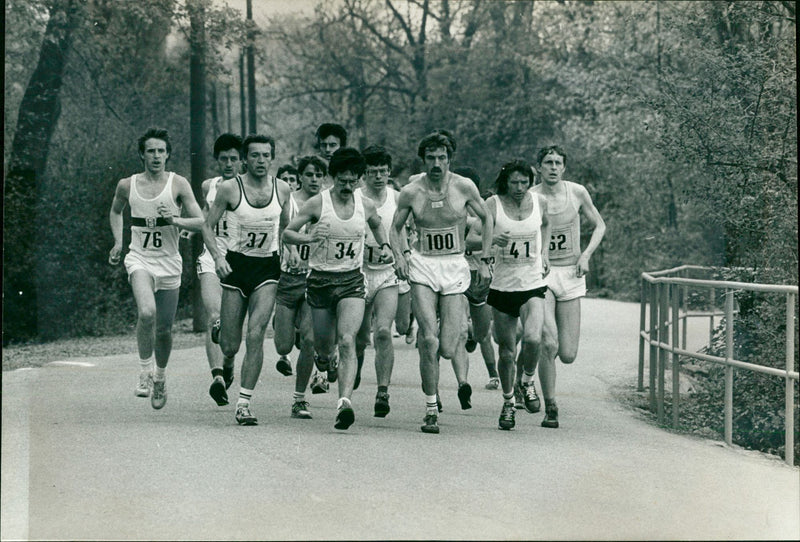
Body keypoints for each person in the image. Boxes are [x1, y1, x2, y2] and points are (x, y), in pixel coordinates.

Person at [283, 148, 393, 430]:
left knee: (347, 340)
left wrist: (384, 246)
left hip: (352, 280)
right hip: (320, 280)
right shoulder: (318, 204)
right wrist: (307, 239)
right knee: (322, 345)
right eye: (342, 180)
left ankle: (344, 402)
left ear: (358, 179)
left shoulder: (365, 204)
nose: (347, 186)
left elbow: (378, 226)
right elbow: (287, 234)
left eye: (352, 181)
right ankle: (324, 360)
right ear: (333, 178)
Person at [391, 131, 493, 434]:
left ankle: (436, 369)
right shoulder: (412, 191)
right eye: (431, 158)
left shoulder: (463, 187)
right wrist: (400, 256)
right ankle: (431, 407)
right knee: (430, 338)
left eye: (442, 158)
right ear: (423, 160)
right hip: (422, 265)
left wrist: (486, 259)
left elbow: (486, 218)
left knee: (448, 347)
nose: (437, 163)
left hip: (453, 265)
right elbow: (394, 228)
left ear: (450, 159)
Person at [108, 127, 204, 409]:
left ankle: (160, 377)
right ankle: (144, 371)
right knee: (146, 312)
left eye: (161, 151)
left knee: (164, 330)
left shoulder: (178, 184)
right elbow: (115, 211)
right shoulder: (127, 185)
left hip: (169, 262)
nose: (157, 156)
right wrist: (118, 242)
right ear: (142, 154)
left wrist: (175, 219)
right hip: (139, 258)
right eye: (151, 151)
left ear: (168, 154)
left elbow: (200, 221)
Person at [201, 134, 291, 426]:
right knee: (230, 345)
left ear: (272, 157)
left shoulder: (283, 189)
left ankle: (244, 403)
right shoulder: (229, 189)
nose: (261, 161)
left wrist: (288, 251)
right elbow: (207, 226)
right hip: (236, 267)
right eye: (255, 155)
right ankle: (225, 360)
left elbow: (285, 226)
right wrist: (218, 257)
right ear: (245, 159)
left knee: (255, 334)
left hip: (267, 268)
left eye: (266, 155)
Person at [468, 160, 550, 430]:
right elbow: (473, 238)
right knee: (506, 351)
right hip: (503, 287)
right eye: (514, 182)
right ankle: (507, 402)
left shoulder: (539, 202)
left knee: (533, 337)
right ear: (505, 182)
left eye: (524, 182)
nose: (519, 188)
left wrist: (545, 254)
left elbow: (546, 225)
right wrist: (491, 243)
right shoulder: (492, 204)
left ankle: (527, 381)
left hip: (532, 283)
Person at [532, 145, 605, 428]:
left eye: (557, 163)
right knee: (548, 343)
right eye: (547, 162)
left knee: (568, 354)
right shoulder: (532, 197)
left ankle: (525, 369)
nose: (552, 167)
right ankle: (551, 406)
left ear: (564, 167)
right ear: (539, 167)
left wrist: (586, 255)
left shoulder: (577, 192)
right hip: (543, 275)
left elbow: (600, 225)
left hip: (572, 273)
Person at [354, 145, 405, 417]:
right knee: (360, 337)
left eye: (383, 172)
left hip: (386, 273)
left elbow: (402, 230)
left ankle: (382, 391)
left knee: (384, 332)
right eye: (372, 172)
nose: (378, 177)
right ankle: (356, 365)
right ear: (364, 174)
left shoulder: (397, 199)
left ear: (389, 172)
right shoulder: (354, 198)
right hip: (359, 272)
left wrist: (402, 254)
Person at [274, 155, 326, 419]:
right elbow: (281, 229)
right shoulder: (289, 200)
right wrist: (291, 249)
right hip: (287, 277)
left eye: (319, 175)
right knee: (283, 347)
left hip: (314, 278)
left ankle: (299, 400)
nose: (314, 179)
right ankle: (287, 329)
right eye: (309, 174)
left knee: (309, 339)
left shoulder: (327, 203)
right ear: (300, 176)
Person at [196, 133, 242, 406]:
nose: (228, 164)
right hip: (212, 257)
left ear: (241, 161)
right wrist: (196, 228)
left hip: (239, 260)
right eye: (223, 159)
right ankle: (217, 378)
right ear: (217, 160)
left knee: (231, 326)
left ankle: (228, 363)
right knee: (214, 316)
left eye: (234, 159)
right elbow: (205, 217)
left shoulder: (248, 188)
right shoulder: (208, 186)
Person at [453, 166, 500, 391]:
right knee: (460, 330)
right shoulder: (450, 203)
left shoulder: (483, 208)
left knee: (484, 333)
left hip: (481, 274)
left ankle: (494, 375)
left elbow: (481, 234)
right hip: (458, 274)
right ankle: (464, 382)